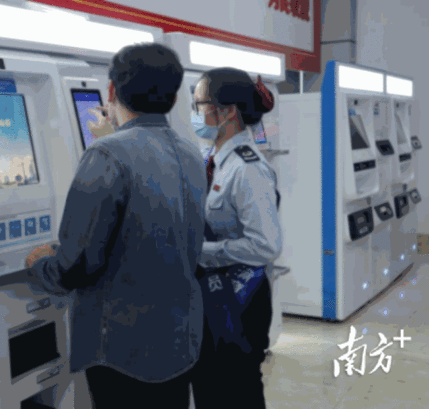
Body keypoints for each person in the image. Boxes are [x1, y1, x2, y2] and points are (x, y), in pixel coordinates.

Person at [24, 43, 207, 409]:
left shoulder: (105, 155)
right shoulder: (191, 153)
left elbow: (76, 264)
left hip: (122, 347)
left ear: (111, 90)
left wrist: (39, 264)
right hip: (180, 338)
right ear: (174, 97)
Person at [188, 68, 282, 409]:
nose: (195, 113)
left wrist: (200, 252)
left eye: (199, 104)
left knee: (236, 389)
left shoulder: (248, 169)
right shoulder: (214, 160)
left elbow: (265, 245)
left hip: (242, 299)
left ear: (227, 111)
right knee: (210, 386)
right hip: (214, 296)